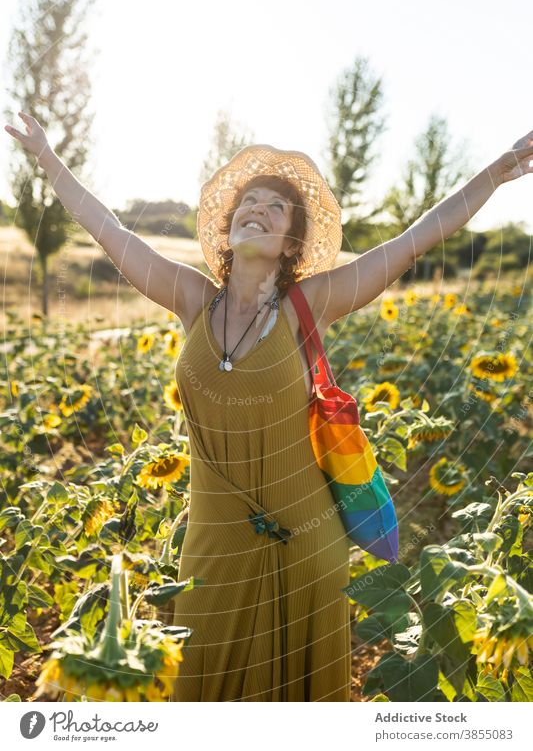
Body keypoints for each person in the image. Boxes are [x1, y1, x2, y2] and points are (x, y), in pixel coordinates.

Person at [5, 112, 533, 702]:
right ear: (229, 228)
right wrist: (48, 160)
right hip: (213, 539)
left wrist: (494, 174)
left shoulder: (312, 302)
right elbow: (110, 231)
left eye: (275, 207)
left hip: (305, 542)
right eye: (247, 201)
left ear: (290, 244)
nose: (256, 207)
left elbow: (410, 242)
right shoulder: (191, 297)